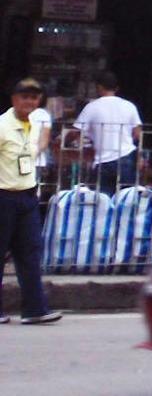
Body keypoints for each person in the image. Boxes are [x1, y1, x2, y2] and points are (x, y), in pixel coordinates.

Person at [0, 80, 60, 325]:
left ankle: (35, 309)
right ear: (14, 99)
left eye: (34, 98)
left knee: (30, 253)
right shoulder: (2, 125)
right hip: (3, 195)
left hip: (27, 195)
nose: (29, 102)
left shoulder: (36, 123)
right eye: (25, 97)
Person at [73, 72, 142, 194]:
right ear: (117, 88)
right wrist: (140, 155)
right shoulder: (129, 106)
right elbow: (137, 133)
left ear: (98, 87)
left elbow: (78, 132)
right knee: (126, 199)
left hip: (102, 160)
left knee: (102, 200)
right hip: (126, 156)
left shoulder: (91, 107)